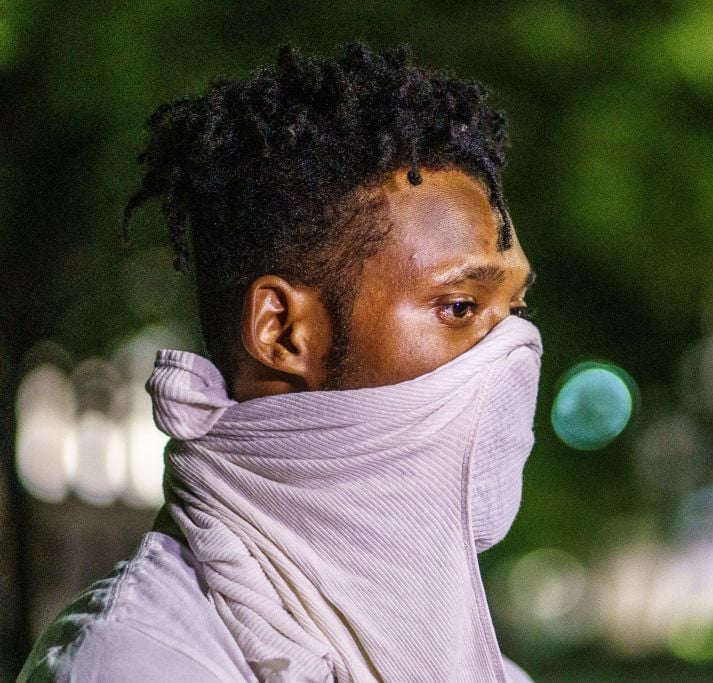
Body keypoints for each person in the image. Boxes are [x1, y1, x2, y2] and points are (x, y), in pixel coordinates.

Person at [20, 43, 540, 682]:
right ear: (284, 331)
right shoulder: (136, 661)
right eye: (460, 306)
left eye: (515, 307)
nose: (511, 348)